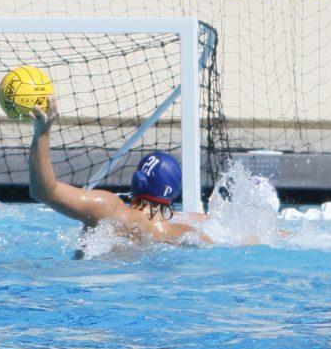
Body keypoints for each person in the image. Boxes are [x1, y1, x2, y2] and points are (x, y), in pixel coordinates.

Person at [28, 99, 210, 249]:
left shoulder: (109, 209)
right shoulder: (183, 233)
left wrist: (42, 133)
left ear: (136, 182)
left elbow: (44, 192)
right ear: (171, 194)